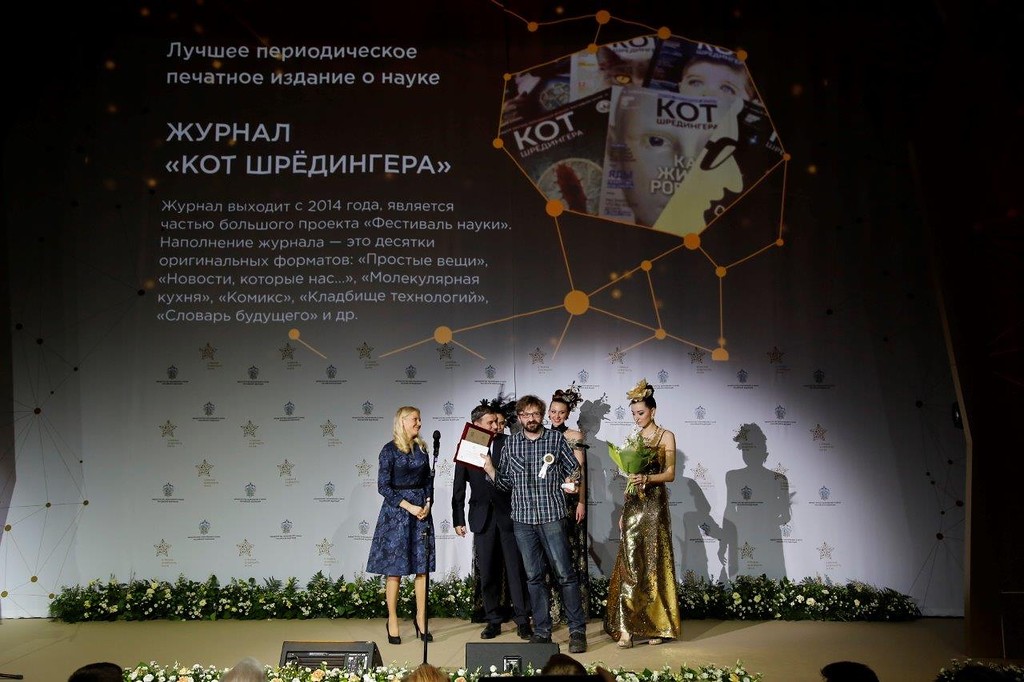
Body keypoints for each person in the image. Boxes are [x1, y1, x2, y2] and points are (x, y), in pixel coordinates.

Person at [483, 395, 588, 654]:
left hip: (552, 517)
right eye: (526, 415)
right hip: (523, 520)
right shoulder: (511, 445)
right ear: (519, 417)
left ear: (542, 415)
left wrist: (573, 481)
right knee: (534, 578)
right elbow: (505, 483)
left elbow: (574, 469)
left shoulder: (555, 440)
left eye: (536, 414)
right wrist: (491, 470)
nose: (531, 419)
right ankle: (542, 631)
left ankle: (577, 631)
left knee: (565, 575)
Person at [604, 379, 680, 647]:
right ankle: (626, 628)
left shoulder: (666, 436)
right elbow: (630, 479)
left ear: (653, 411)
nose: (637, 418)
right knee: (630, 564)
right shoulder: (633, 439)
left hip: (655, 506)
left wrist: (647, 478)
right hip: (634, 505)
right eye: (634, 414)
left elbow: (670, 474)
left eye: (641, 413)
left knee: (654, 563)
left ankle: (656, 626)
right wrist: (624, 510)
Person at [452, 403, 532, 640]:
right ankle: (493, 619)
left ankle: (522, 620)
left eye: (497, 422)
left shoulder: (510, 443)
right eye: (491, 422)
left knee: (516, 570)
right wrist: (458, 518)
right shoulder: (467, 446)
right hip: (482, 518)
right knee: (487, 572)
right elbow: (459, 485)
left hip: (509, 516)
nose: (496, 426)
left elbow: (517, 478)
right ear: (476, 425)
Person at [366, 406, 435, 644]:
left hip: (421, 513)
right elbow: (383, 486)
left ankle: (421, 618)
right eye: (415, 419)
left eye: (420, 419)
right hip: (397, 514)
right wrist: (409, 506)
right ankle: (393, 619)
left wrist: (427, 503)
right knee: (394, 570)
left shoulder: (422, 448)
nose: (419, 423)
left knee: (422, 568)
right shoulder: (389, 450)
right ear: (402, 422)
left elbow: (428, 481)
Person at [547, 384, 589, 620]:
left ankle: (574, 610)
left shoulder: (575, 436)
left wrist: (581, 502)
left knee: (570, 553)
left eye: (561, 412)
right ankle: (552, 608)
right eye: (553, 411)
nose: (556, 416)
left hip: (570, 501)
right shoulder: (543, 436)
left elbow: (580, 471)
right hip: (548, 503)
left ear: (568, 414)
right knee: (551, 554)